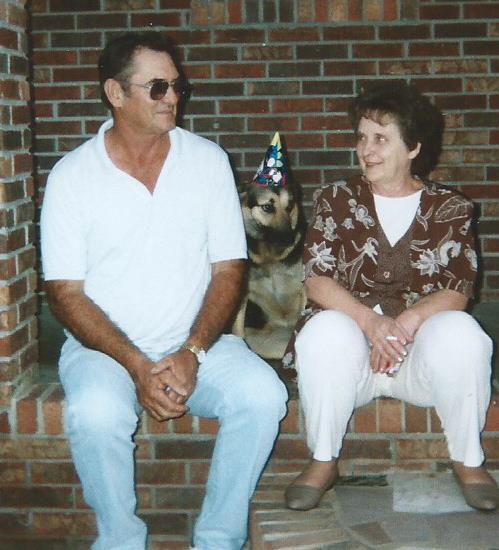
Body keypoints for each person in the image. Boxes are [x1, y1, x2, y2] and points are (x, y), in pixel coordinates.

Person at [41, 31, 287, 550]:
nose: (172, 97)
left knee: (264, 396)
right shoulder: (72, 176)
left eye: (177, 86)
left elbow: (229, 269)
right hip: (103, 352)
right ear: (115, 93)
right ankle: (121, 540)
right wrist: (136, 365)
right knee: (96, 414)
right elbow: (64, 293)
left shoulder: (207, 160)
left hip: (198, 346)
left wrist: (193, 352)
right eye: (157, 87)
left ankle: (218, 539)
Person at [283, 81, 498, 513]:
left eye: (380, 138)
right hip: (350, 365)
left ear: (413, 147)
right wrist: (370, 322)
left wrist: (404, 324)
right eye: (361, 137)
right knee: (324, 329)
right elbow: (317, 279)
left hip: (419, 364)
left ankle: (468, 460)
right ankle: (323, 459)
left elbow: (458, 288)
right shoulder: (336, 200)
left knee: (463, 332)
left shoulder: (450, 208)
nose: (366, 149)